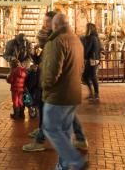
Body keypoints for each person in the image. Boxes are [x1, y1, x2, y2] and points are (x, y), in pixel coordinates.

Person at [40, 13, 87, 169]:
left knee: (51, 128)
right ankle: (63, 166)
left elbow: (51, 71)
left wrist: (45, 85)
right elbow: (81, 67)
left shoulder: (57, 42)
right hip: (73, 93)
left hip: (58, 95)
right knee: (65, 133)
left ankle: (76, 160)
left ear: (55, 25)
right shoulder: (76, 40)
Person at [81, 23, 101, 101]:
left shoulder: (92, 38)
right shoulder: (94, 37)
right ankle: (92, 93)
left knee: (92, 76)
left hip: (92, 59)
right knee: (86, 76)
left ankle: (96, 94)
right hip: (92, 59)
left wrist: (83, 55)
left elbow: (88, 49)